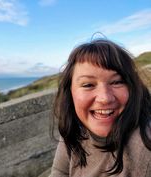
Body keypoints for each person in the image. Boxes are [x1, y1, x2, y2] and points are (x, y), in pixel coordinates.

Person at [50, 38, 151, 177]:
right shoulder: (74, 128)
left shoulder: (146, 145)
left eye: (117, 82)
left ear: (132, 88)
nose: (105, 98)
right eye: (88, 85)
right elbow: (60, 171)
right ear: (70, 92)